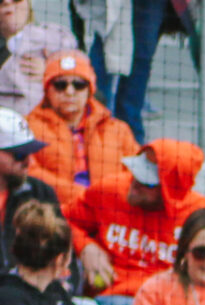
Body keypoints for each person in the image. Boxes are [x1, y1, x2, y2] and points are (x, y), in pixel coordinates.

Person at [66, 136, 203, 305]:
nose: (135, 183)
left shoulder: (200, 216)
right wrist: (85, 246)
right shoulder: (111, 190)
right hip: (109, 300)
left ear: (169, 191)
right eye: (136, 172)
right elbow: (61, 219)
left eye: (146, 182)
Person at [23, 50, 130, 197]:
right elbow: (28, 172)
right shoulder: (27, 128)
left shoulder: (118, 130)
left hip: (109, 206)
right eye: (60, 84)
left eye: (79, 85)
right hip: (53, 208)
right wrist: (83, 196)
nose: (69, 91)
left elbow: (135, 174)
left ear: (90, 90)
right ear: (47, 90)